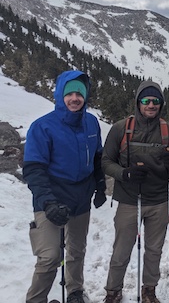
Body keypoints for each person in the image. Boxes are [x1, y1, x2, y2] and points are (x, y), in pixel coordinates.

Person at [24, 70, 107, 303]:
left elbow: (97, 158)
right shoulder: (42, 127)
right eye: (69, 93)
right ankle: (36, 299)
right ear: (60, 95)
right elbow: (33, 169)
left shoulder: (91, 122)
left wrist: (100, 185)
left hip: (81, 198)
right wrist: (48, 202)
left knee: (76, 250)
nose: (74, 98)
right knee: (50, 256)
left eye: (79, 93)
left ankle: (75, 291)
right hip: (51, 199)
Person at [101, 81, 169, 303]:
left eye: (155, 101)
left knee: (154, 250)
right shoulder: (121, 128)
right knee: (121, 250)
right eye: (146, 100)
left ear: (161, 104)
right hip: (129, 200)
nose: (151, 105)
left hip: (158, 200)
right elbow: (106, 161)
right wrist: (124, 174)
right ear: (138, 102)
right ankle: (113, 291)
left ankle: (149, 290)